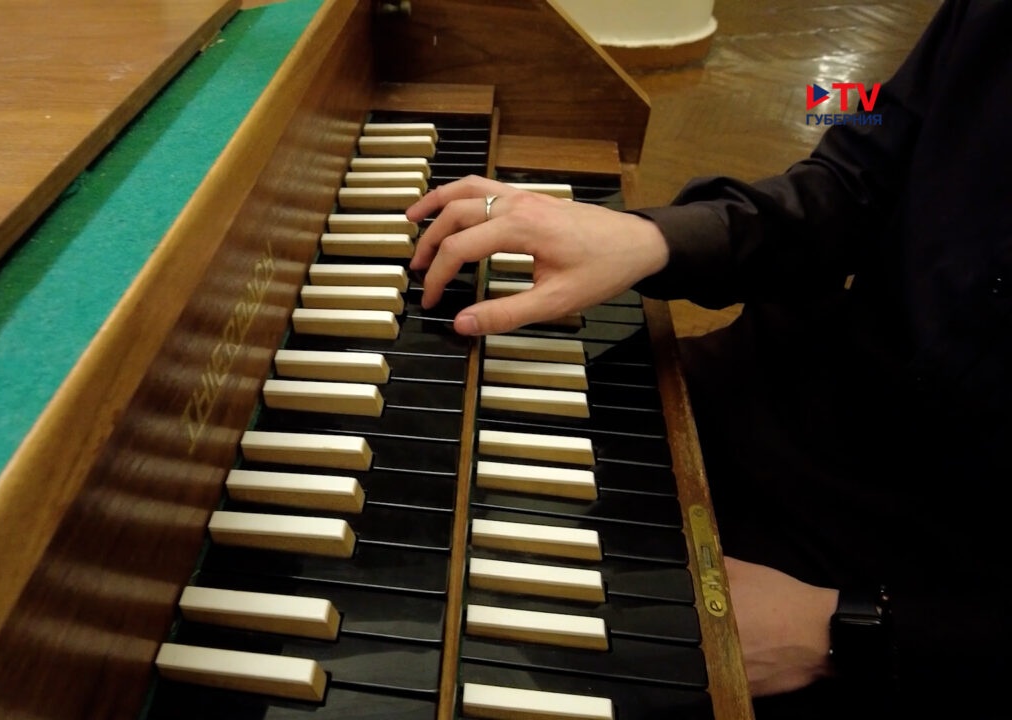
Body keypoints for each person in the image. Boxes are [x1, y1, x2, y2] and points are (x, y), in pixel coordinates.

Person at [406, 0, 1011, 717]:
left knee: (526, 666)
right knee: (445, 454)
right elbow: (859, 173)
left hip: (924, 592)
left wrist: (858, 631)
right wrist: (657, 238)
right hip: (790, 398)